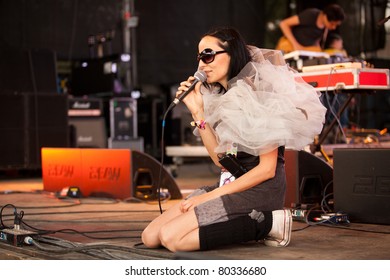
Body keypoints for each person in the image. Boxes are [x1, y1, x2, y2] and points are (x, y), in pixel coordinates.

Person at [141, 27, 327, 252]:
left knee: (173, 239)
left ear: (232, 54)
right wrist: (198, 113)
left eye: (208, 55)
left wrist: (207, 198)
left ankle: (269, 224)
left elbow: (267, 170)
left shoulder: (260, 94)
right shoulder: (220, 97)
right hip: (233, 183)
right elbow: (221, 162)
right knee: (151, 237)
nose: (202, 64)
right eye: (199, 57)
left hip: (261, 189)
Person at [276, 4, 345, 53]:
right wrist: (296, 45)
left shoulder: (325, 29)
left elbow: (315, 43)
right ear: (325, 16)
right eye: (332, 24)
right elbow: (284, 24)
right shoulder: (311, 15)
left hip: (303, 51)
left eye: (336, 25)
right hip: (289, 47)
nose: (333, 27)